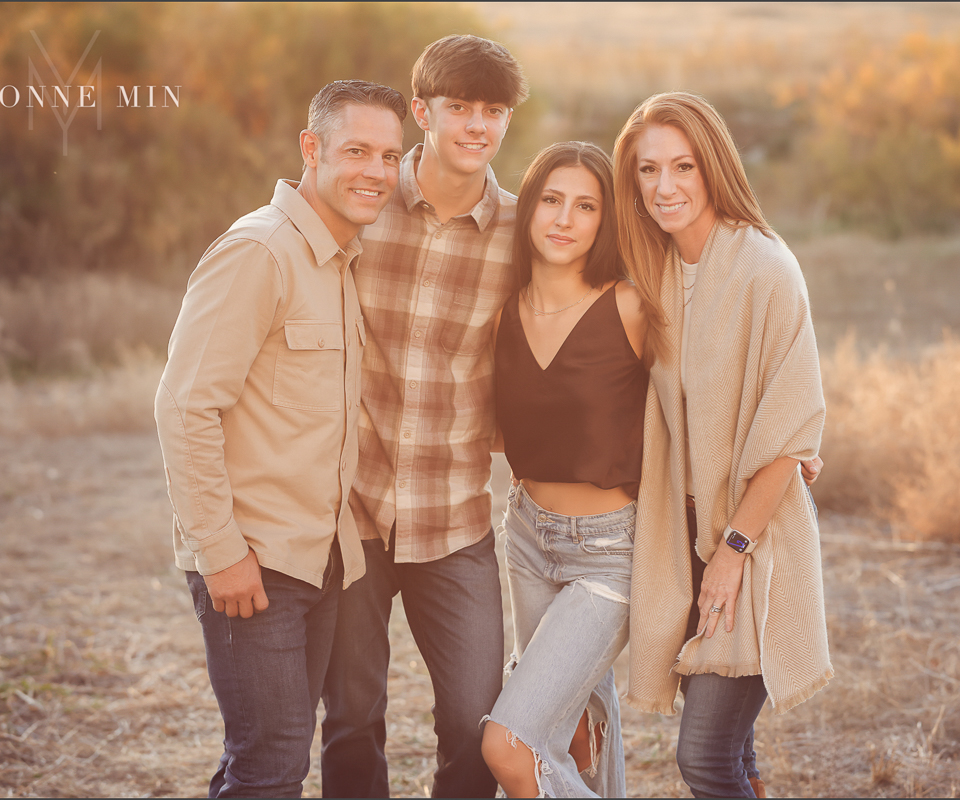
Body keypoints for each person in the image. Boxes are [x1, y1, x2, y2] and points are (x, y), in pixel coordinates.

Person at [154, 80, 406, 798]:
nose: (376, 172)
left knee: (267, 760)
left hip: (319, 560)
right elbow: (183, 406)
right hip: (255, 568)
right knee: (270, 767)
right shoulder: (260, 252)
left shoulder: (336, 259)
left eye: (389, 156)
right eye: (356, 150)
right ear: (311, 148)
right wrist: (222, 551)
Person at [319, 35, 528, 798]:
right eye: (459, 107)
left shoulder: (521, 231)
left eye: (494, 111)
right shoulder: (362, 200)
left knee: (477, 721)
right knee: (349, 715)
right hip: (355, 515)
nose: (476, 125)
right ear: (421, 111)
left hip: (455, 519)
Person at [613, 91, 831, 799]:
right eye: (648, 170)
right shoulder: (648, 273)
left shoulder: (767, 269)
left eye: (683, 167)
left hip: (751, 541)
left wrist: (732, 552)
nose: (665, 188)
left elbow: (790, 434)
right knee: (737, 759)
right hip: (677, 537)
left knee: (705, 758)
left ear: (714, 169)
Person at [479, 141, 647, 798]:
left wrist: (785, 445)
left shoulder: (630, 308)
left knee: (511, 743)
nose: (564, 218)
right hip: (525, 537)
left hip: (609, 554)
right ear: (528, 209)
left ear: (606, 222)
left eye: (586, 206)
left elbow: (703, 402)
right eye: (551, 200)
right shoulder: (502, 315)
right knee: (569, 730)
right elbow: (500, 431)